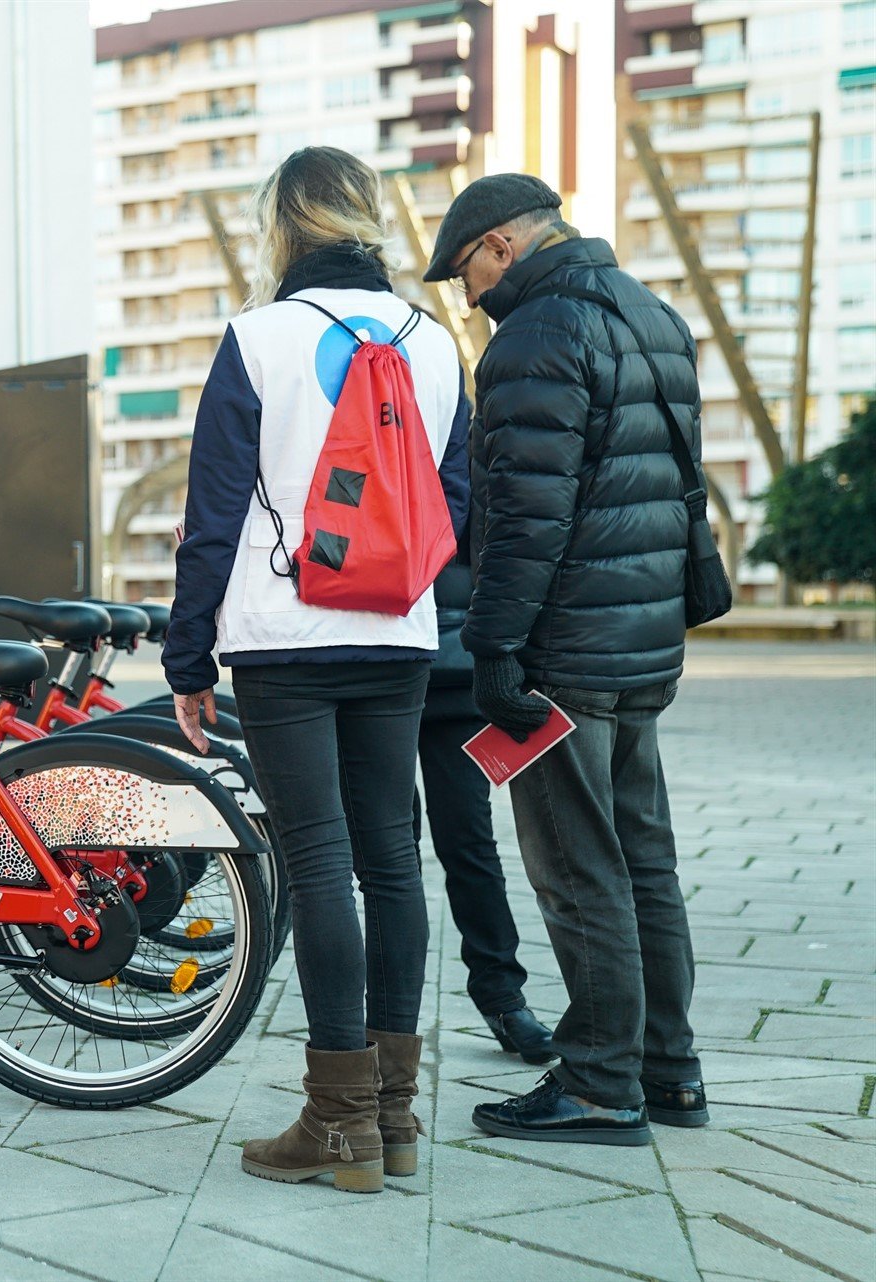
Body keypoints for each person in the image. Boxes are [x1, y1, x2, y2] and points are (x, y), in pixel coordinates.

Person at [167, 147, 470, 1194]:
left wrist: (186, 651)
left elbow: (212, 517)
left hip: (282, 632)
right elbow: (456, 503)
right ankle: (395, 1119)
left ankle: (334, 1120)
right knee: (392, 858)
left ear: (284, 225)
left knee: (318, 861)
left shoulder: (257, 339)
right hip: (399, 630)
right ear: (369, 219)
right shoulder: (437, 343)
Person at [424, 174, 707, 1145]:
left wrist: (494, 648)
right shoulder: (654, 317)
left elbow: (524, 524)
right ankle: (668, 1072)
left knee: (580, 868)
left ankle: (598, 1083)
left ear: (502, 244)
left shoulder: (534, 342)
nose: (468, 299)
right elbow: (685, 489)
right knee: (645, 861)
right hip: (641, 644)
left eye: (466, 271)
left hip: (567, 654)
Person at [416, 542, 556, 1065]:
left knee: (469, 842)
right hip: (376, 668)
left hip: (461, 671)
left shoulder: (482, 459)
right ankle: (388, 1005)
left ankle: (501, 996)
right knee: (386, 853)